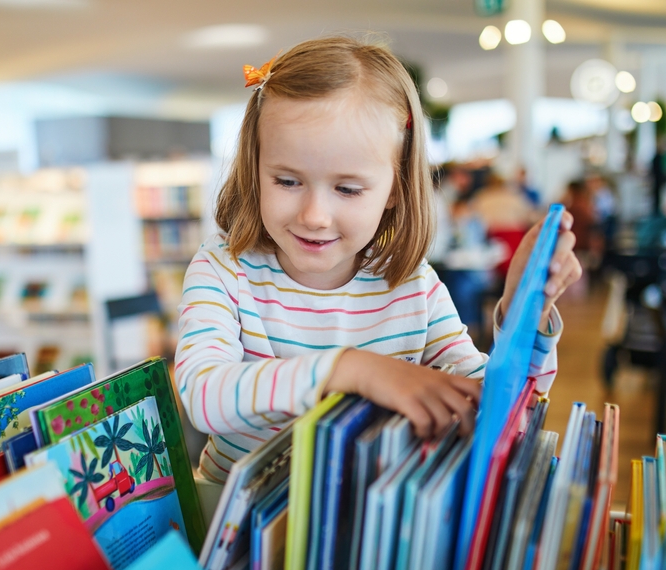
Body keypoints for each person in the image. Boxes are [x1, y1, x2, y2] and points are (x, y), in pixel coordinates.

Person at [174, 36, 582, 482]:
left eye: (348, 189)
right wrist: (351, 370)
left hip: (365, 530)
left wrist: (525, 315)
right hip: (237, 529)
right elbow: (203, 394)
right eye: (287, 180)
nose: (314, 216)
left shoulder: (412, 285)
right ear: (255, 169)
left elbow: (501, 418)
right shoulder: (223, 268)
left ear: (395, 189)